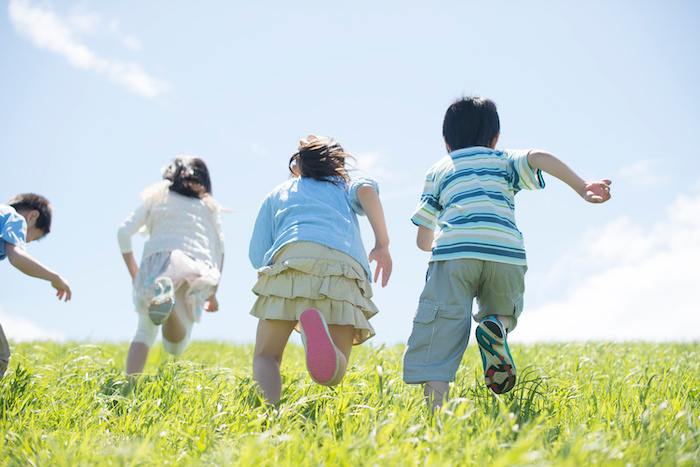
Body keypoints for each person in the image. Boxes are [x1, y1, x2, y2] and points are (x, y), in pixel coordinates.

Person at [403, 97, 612, 410]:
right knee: (502, 308)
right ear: (495, 137)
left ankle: (436, 417)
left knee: (440, 333)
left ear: (447, 141)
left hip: (454, 254)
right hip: (505, 253)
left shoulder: (439, 170)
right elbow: (539, 157)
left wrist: (443, 244)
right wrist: (583, 187)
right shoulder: (503, 159)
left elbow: (423, 238)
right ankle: (496, 326)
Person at [249, 135, 392, 404]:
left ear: (296, 167)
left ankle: (269, 412)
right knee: (332, 374)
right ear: (337, 165)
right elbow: (367, 191)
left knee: (266, 356)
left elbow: (257, 255)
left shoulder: (279, 192)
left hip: (290, 265)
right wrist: (382, 245)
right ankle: (320, 335)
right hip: (342, 272)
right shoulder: (345, 185)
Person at [118, 155, 225, 377]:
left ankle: (127, 388)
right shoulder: (208, 206)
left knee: (144, 331)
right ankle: (170, 308)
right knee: (176, 346)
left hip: (157, 264)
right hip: (193, 267)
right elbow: (220, 250)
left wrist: (134, 273)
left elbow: (123, 232)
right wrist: (213, 292)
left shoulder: (158, 195)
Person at [0, 193, 71, 378]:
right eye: (29, 237)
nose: (25, 241)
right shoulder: (13, 217)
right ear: (32, 216)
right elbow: (16, 257)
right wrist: (54, 277)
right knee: (1, 357)